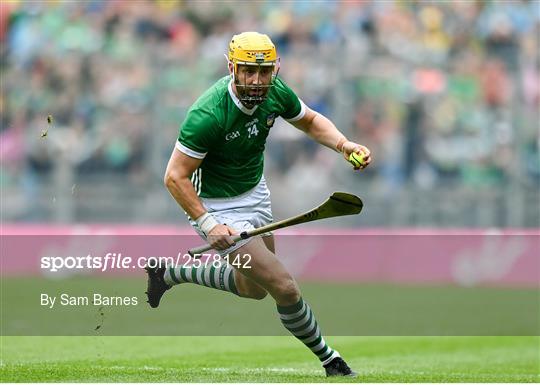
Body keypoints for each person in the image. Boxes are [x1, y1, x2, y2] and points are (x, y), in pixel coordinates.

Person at [145, 31, 371, 377]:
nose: (256, 80)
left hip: (256, 193)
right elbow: (174, 176)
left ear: (274, 70)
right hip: (217, 206)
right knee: (284, 286)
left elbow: (309, 120)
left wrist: (343, 144)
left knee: (253, 290)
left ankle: (169, 273)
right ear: (232, 68)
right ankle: (331, 361)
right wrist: (208, 224)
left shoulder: (275, 92)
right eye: (248, 71)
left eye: (264, 72)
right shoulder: (208, 114)